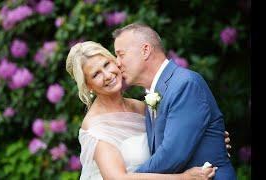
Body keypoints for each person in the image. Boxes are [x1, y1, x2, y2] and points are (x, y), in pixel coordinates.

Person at [66, 41, 221, 179]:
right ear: (88, 86)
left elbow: (175, 140)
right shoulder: (96, 128)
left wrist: (209, 139)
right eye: (96, 74)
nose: (107, 75)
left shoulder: (140, 107)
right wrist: (183, 178)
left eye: (106, 64)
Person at [113, 23, 236, 179]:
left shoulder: (184, 84)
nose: (117, 63)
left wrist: (130, 178)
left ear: (145, 50)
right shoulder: (154, 93)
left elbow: (172, 155)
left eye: (121, 54)